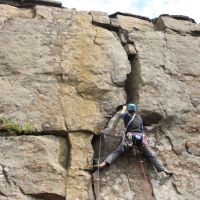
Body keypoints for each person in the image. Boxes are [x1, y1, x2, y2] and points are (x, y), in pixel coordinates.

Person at [94, 103, 173, 177]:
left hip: (129, 139)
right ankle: (163, 170)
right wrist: (143, 138)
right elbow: (141, 129)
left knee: (117, 151)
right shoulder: (139, 118)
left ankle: (105, 163)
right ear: (135, 110)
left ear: (128, 109)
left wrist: (124, 108)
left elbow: (121, 115)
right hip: (139, 139)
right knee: (151, 154)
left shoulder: (127, 115)